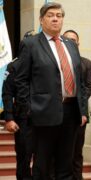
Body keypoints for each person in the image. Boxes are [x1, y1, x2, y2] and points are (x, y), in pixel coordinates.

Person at [15, 2, 87, 180]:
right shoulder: (30, 44)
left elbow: (80, 80)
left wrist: (83, 110)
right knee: (42, 166)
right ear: (41, 19)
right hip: (42, 114)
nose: (55, 18)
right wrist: (29, 109)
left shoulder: (70, 45)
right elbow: (21, 80)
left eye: (59, 15)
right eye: (50, 15)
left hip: (71, 113)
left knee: (66, 166)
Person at [2, 30, 35, 180]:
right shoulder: (14, 66)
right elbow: (7, 93)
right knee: (24, 157)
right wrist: (9, 117)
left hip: (46, 117)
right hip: (23, 118)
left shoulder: (48, 64)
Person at [63, 29, 91, 180]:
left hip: (79, 113)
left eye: (73, 40)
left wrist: (78, 101)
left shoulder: (87, 63)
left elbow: (90, 86)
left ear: (78, 43)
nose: (71, 42)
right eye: (67, 39)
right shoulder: (58, 61)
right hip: (59, 113)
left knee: (76, 152)